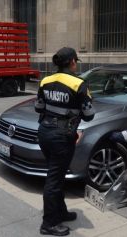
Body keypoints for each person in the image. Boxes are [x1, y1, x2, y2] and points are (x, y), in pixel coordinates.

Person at [35, 47, 95, 236]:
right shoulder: (79, 84)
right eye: (76, 61)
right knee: (54, 179)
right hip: (62, 137)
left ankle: (60, 211)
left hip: (44, 132)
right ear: (72, 62)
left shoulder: (45, 80)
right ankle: (49, 224)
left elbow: (39, 107)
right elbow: (89, 115)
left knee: (56, 174)